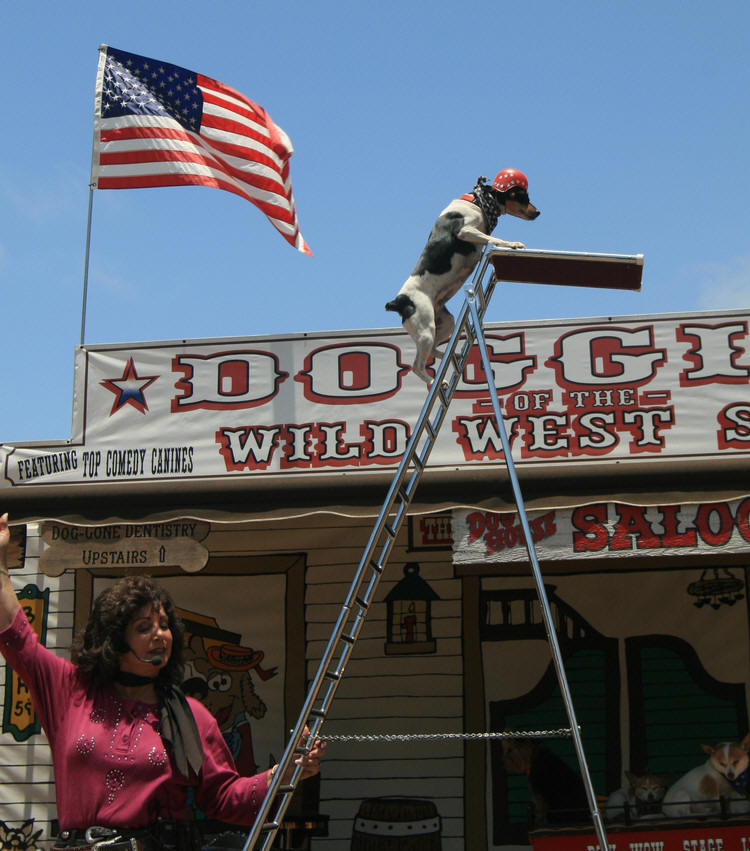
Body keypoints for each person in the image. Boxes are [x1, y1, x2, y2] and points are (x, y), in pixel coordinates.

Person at [0, 513, 327, 850]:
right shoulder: (71, 691)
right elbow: (18, 640)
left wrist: (283, 775)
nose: (160, 635)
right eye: (144, 628)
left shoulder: (190, 716)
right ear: (115, 640)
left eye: (165, 625)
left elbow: (223, 798)